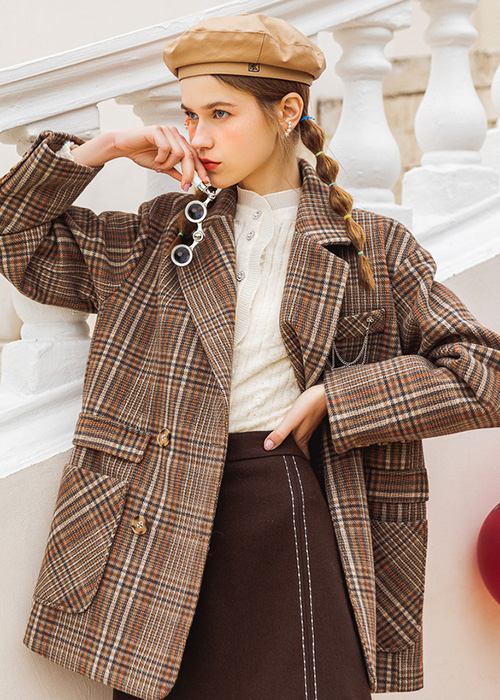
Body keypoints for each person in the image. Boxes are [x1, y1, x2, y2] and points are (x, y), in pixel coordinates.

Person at [1, 12, 499, 700]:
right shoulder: (157, 235)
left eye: (220, 113)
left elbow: (485, 373)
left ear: (287, 111)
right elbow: (16, 239)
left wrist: (337, 398)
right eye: (190, 115)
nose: (199, 136)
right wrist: (105, 147)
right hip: (156, 523)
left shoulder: (375, 248)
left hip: (286, 502)